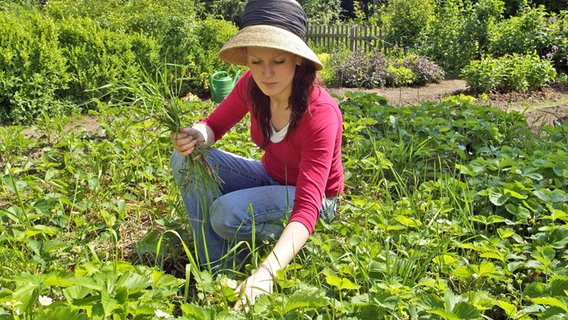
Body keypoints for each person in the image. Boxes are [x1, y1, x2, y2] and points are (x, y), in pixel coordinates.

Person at [169, 0, 344, 309]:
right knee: (185, 159)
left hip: (318, 201)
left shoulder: (320, 114)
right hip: (270, 176)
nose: (267, 73)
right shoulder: (252, 86)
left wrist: (267, 272)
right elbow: (213, 125)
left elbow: (307, 207)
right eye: (257, 61)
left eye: (278, 61)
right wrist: (196, 135)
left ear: (297, 60)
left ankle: (249, 271)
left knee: (226, 213)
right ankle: (218, 270)